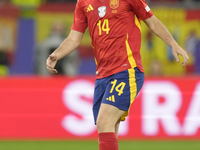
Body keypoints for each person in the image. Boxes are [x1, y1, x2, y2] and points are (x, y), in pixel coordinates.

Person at [46, 0, 189, 149]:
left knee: (104, 121)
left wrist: (173, 43)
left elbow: (152, 22)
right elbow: (74, 38)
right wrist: (56, 54)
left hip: (126, 70)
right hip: (102, 75)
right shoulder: (83, 3)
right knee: (109, 127)